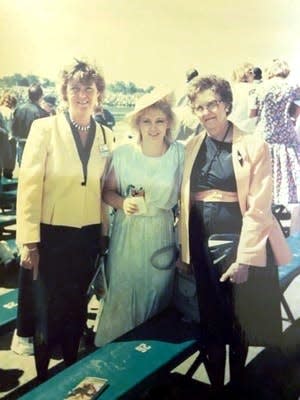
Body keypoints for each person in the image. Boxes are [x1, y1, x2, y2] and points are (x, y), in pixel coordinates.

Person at [177, 75, 291, 397]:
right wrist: (185, 252)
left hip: (237, 241)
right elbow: (183, 201)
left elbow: (259, 208)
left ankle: (238, 386)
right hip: (201, 242)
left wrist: (244, 259)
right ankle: (216, 389)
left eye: (212, 104)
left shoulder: (254, 145)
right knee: (211, 320)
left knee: (237, 322)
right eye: (199, 107)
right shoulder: (190, 146)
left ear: (227, 104)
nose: (206, 112)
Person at [16, 59, 113, 381]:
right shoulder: (44, 128)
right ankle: (44, 380)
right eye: (75, 88)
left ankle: (70, 374)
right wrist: (28, 241)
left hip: (86, 237)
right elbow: (29, 187)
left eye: (89, 88)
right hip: (49, 236)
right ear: (64, 92)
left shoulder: (106, 134)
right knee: (47, 313)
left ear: (98, 93)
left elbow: (102, 189)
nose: (82, 95)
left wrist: (104, 232)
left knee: (75, 311)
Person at [94, 88, 184, 347]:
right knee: (124, 290)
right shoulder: (123, 154)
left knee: (157, 293)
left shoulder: (179, 153)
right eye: (147, 121)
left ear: (168, 123)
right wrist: (123, 202)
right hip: (128, 232)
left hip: (162, 230)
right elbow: (106, 192)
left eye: (159, 121)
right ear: (137, 123)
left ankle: (150, 358)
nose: (153, 127)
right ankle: (115, 351)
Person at [250, 59, 300, 235]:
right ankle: (288, 225)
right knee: (288, 176)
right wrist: (291, 119)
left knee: (263, 177)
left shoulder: (260, 87)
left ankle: (266, 218)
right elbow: (297, 109)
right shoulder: (293, 86)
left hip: (264, 135)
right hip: (286, 136)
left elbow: (252, 113)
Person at [11, 83, 48, 165]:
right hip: (36, 149)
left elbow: (13, 130)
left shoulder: (18, 109)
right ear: (41, 96)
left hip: (21, 146)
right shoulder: (43, 114)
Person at [229, 62, 256, 133]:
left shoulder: (230, 89)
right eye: (251, 72)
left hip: (233, 130)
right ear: (246, 74)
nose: (254, 75)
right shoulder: (254, 89)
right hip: (250, 130)